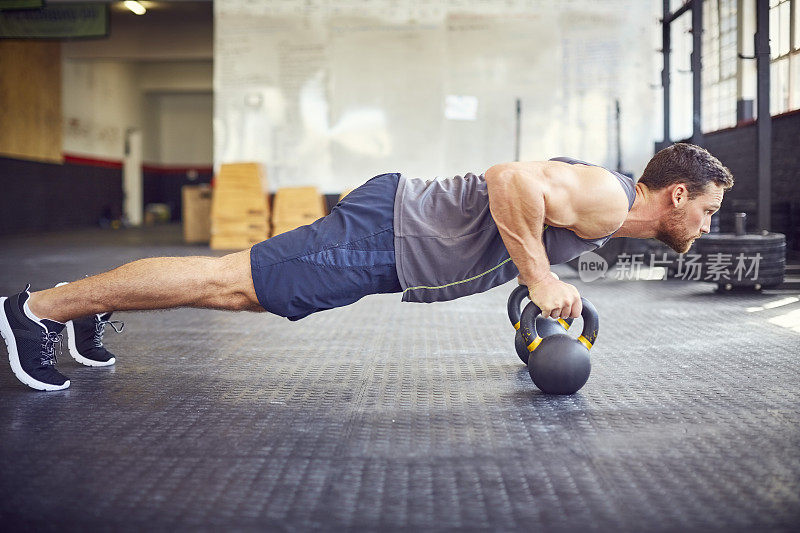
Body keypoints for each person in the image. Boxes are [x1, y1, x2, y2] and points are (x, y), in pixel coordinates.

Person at [1, 143, 734, 391]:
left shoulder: (605, 216)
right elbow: (509, 177)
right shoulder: (609, 198)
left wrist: (529, 294)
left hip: (393, 240)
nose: (704, 227)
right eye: (704, 212)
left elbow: (515, 226)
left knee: (247, 294)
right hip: (389, 232)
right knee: (226, 278)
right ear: (675, 194)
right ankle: (37, 309)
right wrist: (539, 278)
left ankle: (80, 304)